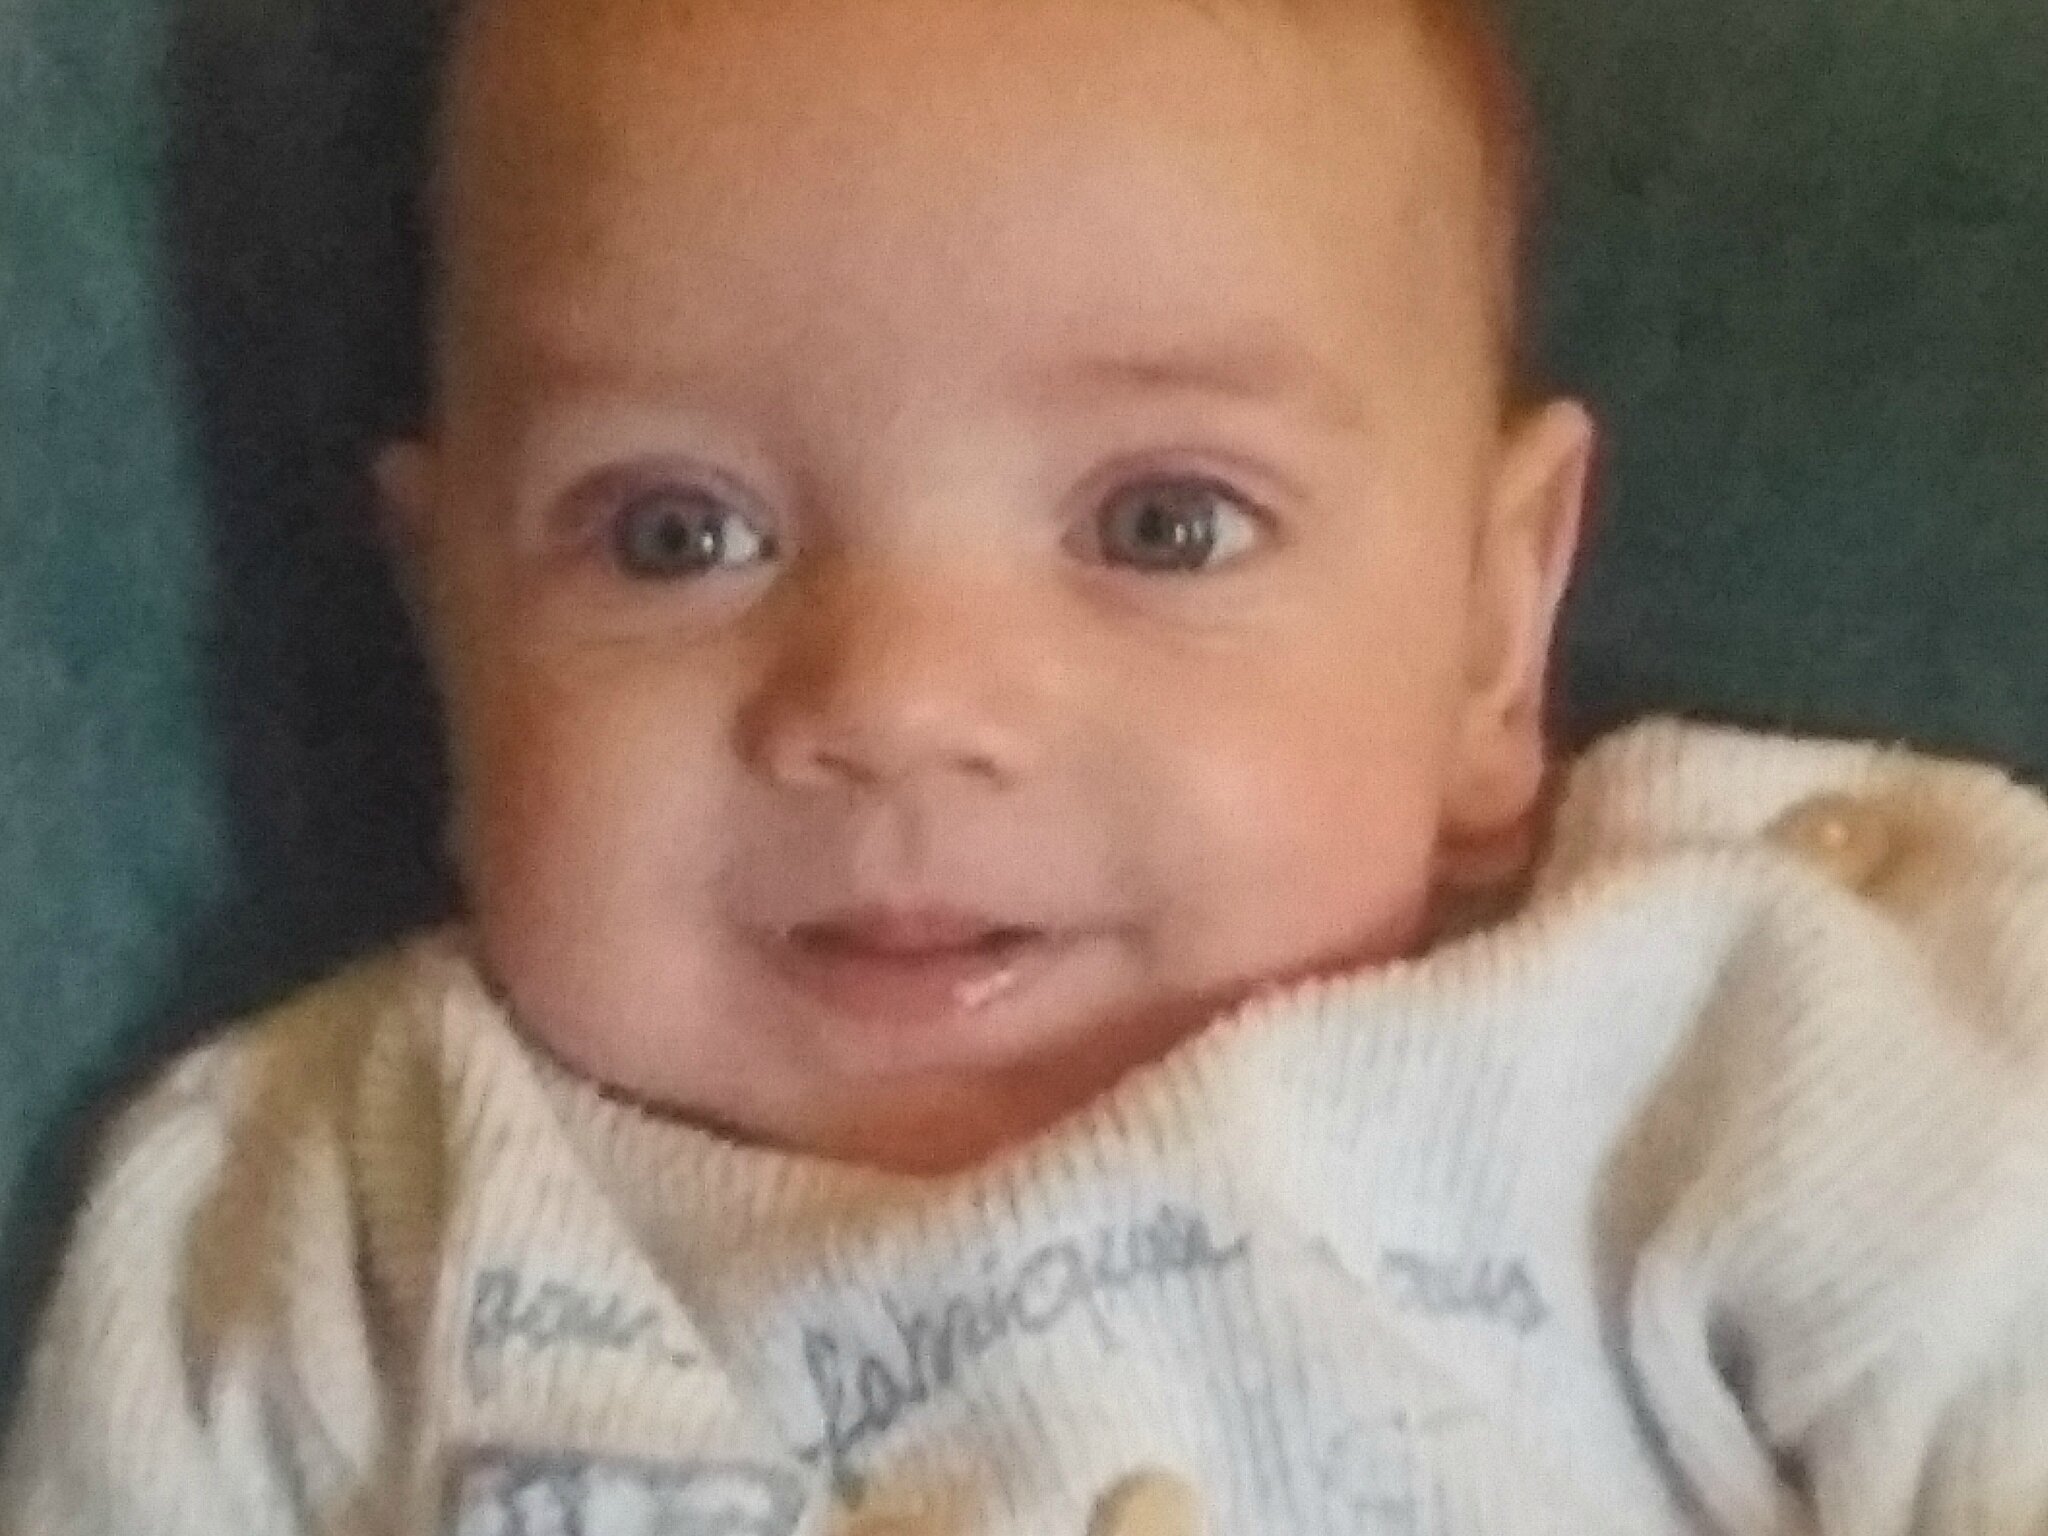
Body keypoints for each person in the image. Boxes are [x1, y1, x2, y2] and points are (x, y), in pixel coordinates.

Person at [8, 0, 2048, 1531]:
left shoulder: (1725, 1038)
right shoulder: (329, 1232)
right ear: (450, 623)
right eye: (674, 533)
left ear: (1490, 635)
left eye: (1162, 524)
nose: (896, 700)